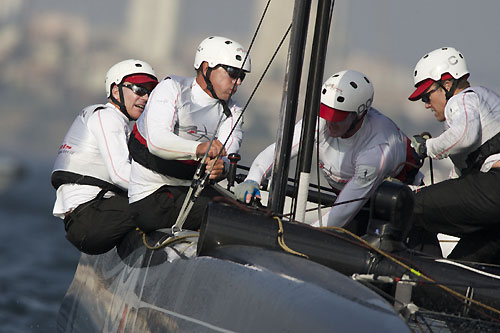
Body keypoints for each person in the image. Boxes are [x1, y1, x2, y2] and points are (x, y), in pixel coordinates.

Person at [235, 69, 422, 231]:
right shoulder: (320, 121)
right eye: (327, 113)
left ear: (360, 114)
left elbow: (344, 208)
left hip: (396, 206)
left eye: (338, 117)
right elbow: (279, 149)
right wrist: (253, 178)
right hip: (351, 197)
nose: (330, 122)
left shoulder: (378, 146)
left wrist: (306, 234)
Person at [128, 36, 251, 233]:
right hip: (153, 197)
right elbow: (156, 141)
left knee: (254, 217)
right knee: (234, 221)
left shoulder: (234, 111)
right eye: (232, 73)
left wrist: (222, 167)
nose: (237, 82)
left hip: (192, 193)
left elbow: (229, 155)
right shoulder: (172, 88)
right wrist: (200, 148)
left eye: (242, 76)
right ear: (205, 67)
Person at [51, 59, 159, 255]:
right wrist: (166, 188)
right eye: (139, 90)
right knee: (166, 205)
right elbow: (120, 175)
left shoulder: (119, 123)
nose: (145, 98)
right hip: (91, 220)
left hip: (87, 219)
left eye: (150, 93)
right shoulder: (108, 118)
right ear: (116, 91)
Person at [408, 46, 500, 263]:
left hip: (494, 189)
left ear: (447, 84)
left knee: (406, 205)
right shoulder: (486, 100)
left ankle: (417, 275)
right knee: (461, 269)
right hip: (493, 206)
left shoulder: (460, 100)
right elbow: (459, 181)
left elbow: (464, 137)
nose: (427, 105)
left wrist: (426, 148)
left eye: (427, 96)